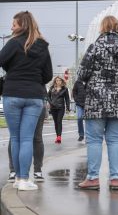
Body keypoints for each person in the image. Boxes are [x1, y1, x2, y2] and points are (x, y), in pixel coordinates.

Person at [77, 15, 118, 190]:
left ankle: (93, 178)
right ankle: (115, 178)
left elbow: (82, 73)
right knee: (115, 140)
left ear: (102, 28)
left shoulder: (95, 46)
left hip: (96, 100)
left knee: (94, 140)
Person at [0, 11, 53, 191]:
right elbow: (48, 75)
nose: (11, 27)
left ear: (21, 25)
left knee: (15, 138)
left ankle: (16, 179)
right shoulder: (43, 46)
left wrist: (12, 69)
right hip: (34, 96)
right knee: (27, 139)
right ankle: (24, 179)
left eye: (14, 25)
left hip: (12, 93)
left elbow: (1, 61)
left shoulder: (13, 43)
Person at [8, 102, 47, 182]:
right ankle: (14, 171)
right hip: (20, 99)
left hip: (34, 99)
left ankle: (37, 170)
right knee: (15, 137)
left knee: (36, 137)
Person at [48, 76, 70, 144]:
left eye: (59, 80)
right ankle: (57, 136)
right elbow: (47, 96)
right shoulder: (52, 88)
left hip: (61, 108)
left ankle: (59, 137)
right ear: (55, 81)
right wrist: (50, 102)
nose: (58, 82)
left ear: (62, 81)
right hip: (53, 108)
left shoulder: (65, 89)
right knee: (55, 122)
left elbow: (67, 99)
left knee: (59, 121)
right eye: (57, 80)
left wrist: (68, 107)